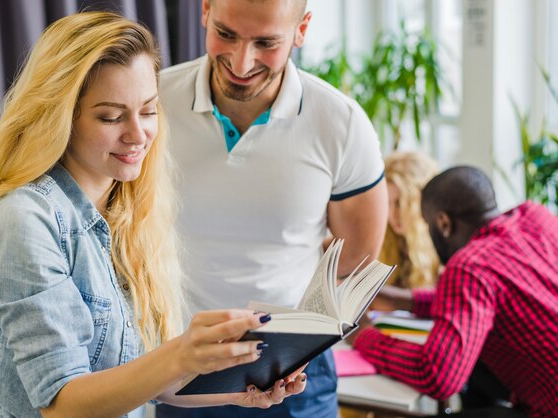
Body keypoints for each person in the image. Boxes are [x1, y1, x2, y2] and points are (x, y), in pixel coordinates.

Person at [0, 12, 307, 418]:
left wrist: (241, 390)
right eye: (111, 117)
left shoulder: (126, 212)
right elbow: (63, 405)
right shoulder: (25, 221)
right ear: (60, 118)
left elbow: (138, 380)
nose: (137, 135)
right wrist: (181, 354)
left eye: (148, 111)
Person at [156, 0, 388, 417]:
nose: (241, 62)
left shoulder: (342, 124)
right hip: (181, 368)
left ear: (302, 30)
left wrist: (296, 338)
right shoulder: (153, 104)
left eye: (266, 42)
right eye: (226, 34)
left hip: (298, 374)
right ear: (206, 9)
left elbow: (355, 265)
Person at [347, 166, 558, 418]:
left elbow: (436, 375)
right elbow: (479, 303)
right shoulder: (534, 217)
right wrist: (401, 301)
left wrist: (364, 336)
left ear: (444, 223)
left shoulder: (470, 264)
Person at [379, 151, 440, 289]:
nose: (393, 214)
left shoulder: (443, 253)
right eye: (388, 203)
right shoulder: (388, 244)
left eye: (401, 203)